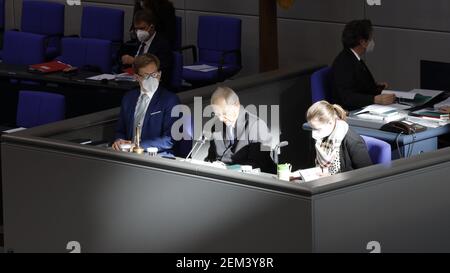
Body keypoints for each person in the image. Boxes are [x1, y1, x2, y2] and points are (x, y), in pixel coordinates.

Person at [113, 54, 180, 155]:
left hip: (156, 155)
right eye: (146, 76)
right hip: (128, 155)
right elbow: (120, 130)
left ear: (160, 74)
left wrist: (137, 147)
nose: (152, 79)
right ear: (136, 77)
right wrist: (119, 141)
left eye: (154, 75)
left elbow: (169, 140)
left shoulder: (170, 100)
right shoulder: (128, 98)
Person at [204, 87, 277, 174]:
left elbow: (259, 164)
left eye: (224, 113)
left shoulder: (257, 126)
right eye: (217, 114)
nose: (220, 118)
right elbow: (211, 158)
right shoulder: (216, 127)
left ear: (236, 105)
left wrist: (227, 169)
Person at [331, 19, 396, 111]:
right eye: (370, 39)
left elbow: (358, 85)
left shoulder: (353, 57)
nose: (372, 42)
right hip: (350, 111)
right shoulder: (344, 63)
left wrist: (376, 87)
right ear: (362, 42)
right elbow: (347, 97)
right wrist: (375, 99)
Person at [307, 101, 373, 176]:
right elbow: (312, 164)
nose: (313, 133)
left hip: (345, 185)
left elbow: (367, 174)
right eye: (312, 128)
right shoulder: (320, 137)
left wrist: (330, 177)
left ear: (330, 122)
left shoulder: (353, 141)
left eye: (317, 129)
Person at [117, 10, 173, 87]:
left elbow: (162, 70)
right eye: (137, 29)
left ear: (152, 27)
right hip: (134, 82)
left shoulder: (162, 45)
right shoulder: (138, 41)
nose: (139, 32)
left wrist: (135, 61)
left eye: (142, 28)